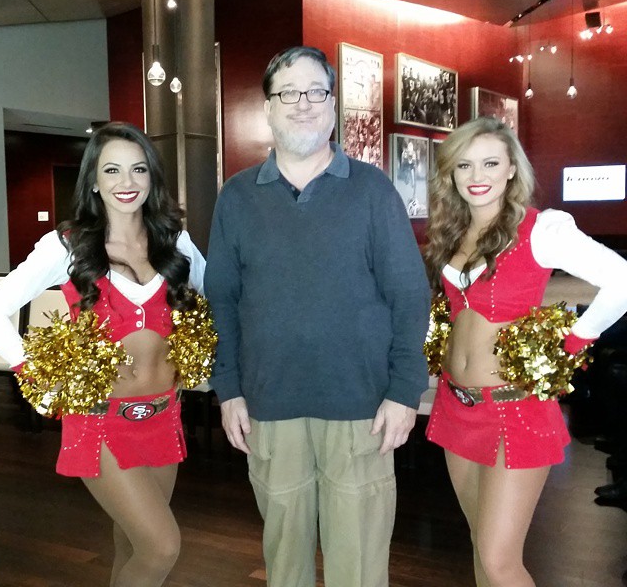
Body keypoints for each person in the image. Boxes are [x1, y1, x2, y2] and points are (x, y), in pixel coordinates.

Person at [204, 46, 430, 587]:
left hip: (361, 407)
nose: (302, 103)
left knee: (358, 563)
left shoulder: (373, 190)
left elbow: (410, 294)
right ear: (268, 107)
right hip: (268, 405)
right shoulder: (236, 197)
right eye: (288, 92)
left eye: (315, 92)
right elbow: (223, 300)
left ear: (333, 106)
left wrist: (404, 392)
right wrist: (229, 389)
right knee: (285, 560)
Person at [0, 122, 206, 587]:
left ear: (152, 178)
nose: (126, 183)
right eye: (112, 170)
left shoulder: (175, 241)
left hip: (164, 415)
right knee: (162, 546)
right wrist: (38, 383)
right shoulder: (66, 246)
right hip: (100, 421)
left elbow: (215, 301)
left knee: (130, 543)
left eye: (138, 170)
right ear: (94, 180)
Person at [424, 116, 627, 587]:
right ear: (451, 174)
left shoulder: (543, 230)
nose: (477, 176)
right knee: (483, 549)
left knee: (499, 562)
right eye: (465, 165)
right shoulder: (453, 233)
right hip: (457, 405)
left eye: (491, 163)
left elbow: (622, 279)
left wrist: (575, 340)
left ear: (512, 168)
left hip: (514, 409)